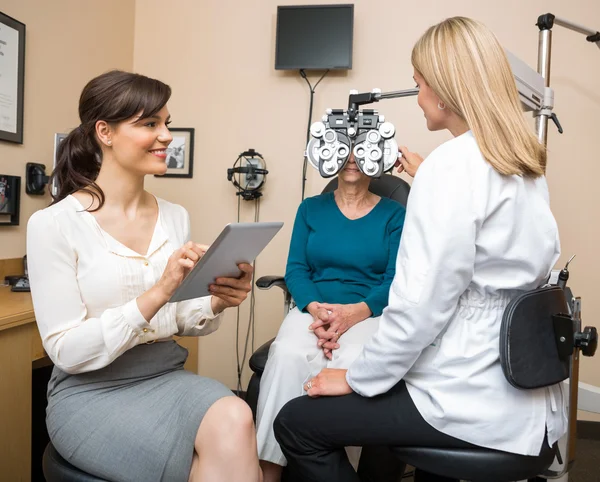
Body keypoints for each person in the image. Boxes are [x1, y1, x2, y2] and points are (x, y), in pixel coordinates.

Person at [273, 16, 567, 482]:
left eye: (419, 84)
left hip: (470, 395)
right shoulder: (522, 162)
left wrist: (355, 379)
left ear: (445, 90)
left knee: (296, 423)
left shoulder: (450, 168)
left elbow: (418, 309)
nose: (418, 96)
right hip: (520, 393)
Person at [27, 70, 261, 482]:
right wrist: (159, 290)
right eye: (150, 124)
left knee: (237, 415)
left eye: (167, 123)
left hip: (166, 375)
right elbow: (64, 350)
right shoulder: (54, 224)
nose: (167, 135)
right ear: (105, 132)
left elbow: (179, 318)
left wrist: (216, 300)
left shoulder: (175, 216)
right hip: (90, 394)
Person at [256, 153, 406, 482]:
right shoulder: (310, 209)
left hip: (367, 312)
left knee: (353, 360)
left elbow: (395, 279)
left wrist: (353, 314)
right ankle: (268, 472)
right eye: (343, 148)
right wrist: (316, 309)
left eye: (360, 149)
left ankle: (336, 473)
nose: (351, 158)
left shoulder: (395, 214)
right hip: (314, 309)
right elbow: (296, 269)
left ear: (376, 158)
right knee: (286, 356)